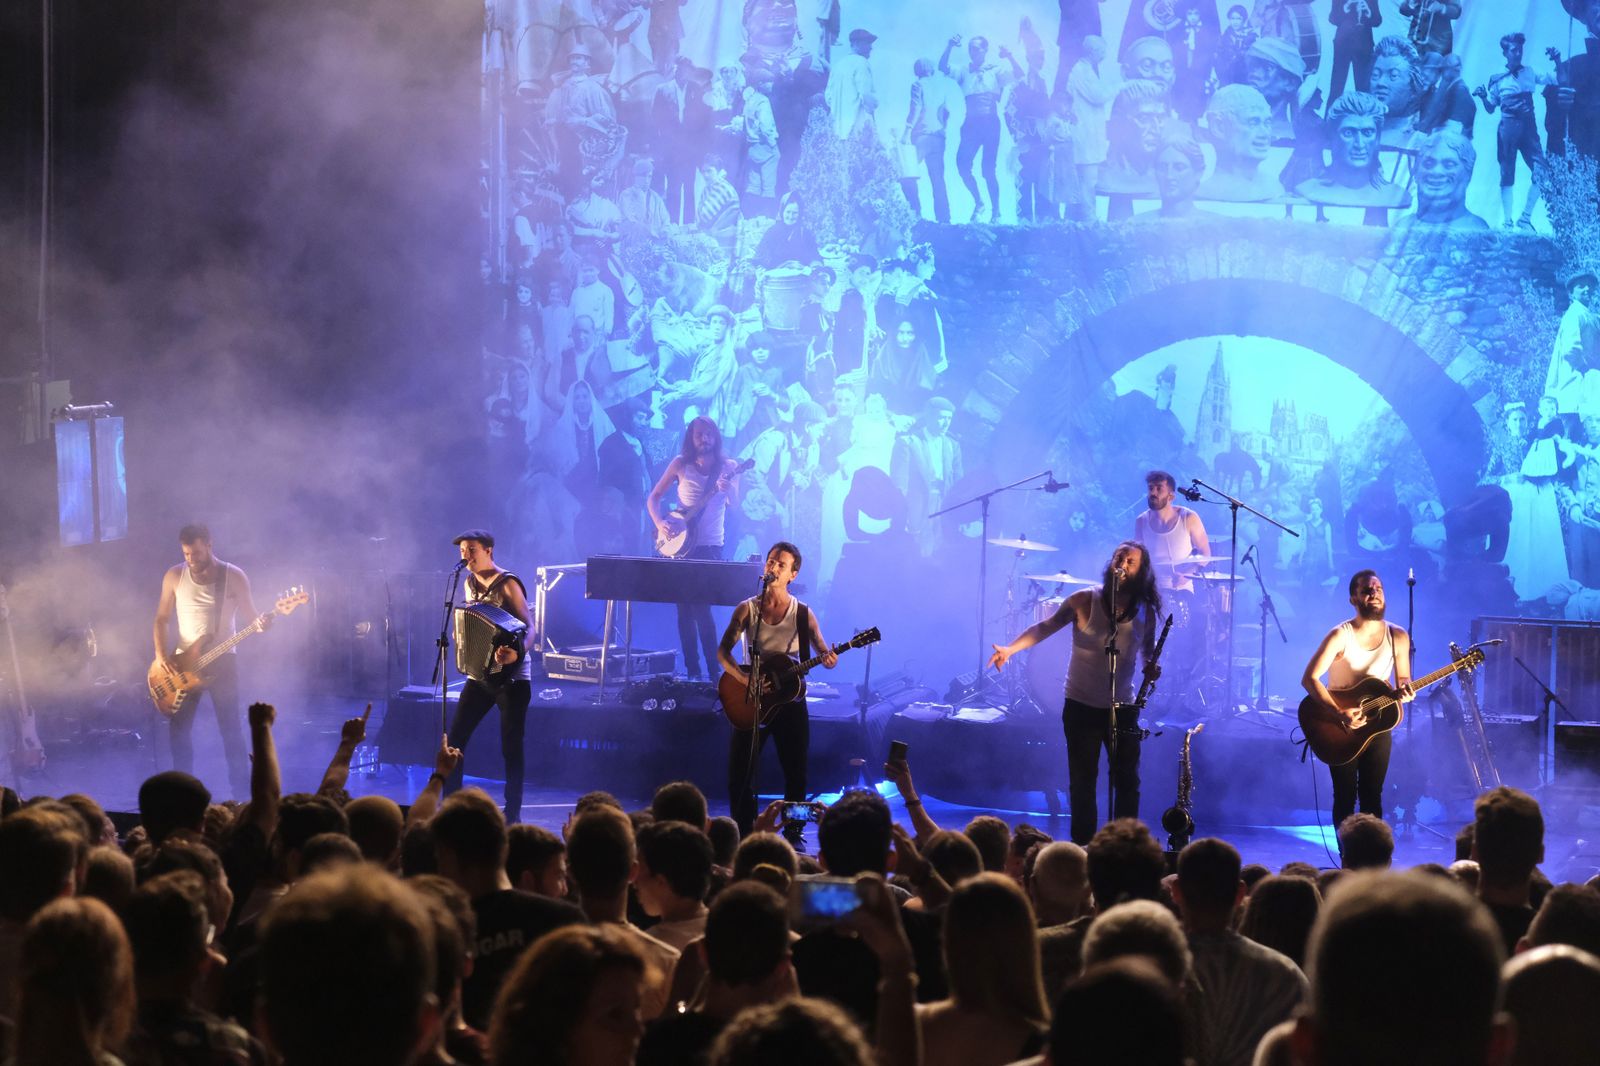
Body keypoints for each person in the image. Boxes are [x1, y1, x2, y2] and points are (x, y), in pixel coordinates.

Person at [988, 543, 1163, 845]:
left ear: (1140, 571)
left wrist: (1151, 667)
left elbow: (1147, 650)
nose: (1123, 562)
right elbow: (1046, 626)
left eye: (1131, 561)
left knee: (1127, 781)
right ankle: (1083, 846)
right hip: (1081, 704)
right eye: (1119, 556)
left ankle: (1126, 845)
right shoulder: (1084, 599)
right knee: (1082, 782)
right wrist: (1010, 649)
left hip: (1122, 706)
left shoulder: (1144, 609)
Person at [719, 541, 838, 840]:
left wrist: (830, 657)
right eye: (771, 561)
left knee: (796, 774)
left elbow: (824, 652)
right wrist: (744, 679)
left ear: (792, 575)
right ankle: (742, 833)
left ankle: (794, 832)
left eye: (781, 564)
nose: (773, 567)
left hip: (790, 702)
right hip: (753, 698)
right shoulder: (747, 609)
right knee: (740, 773)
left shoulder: (803, 615)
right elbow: (723, 653)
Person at [152, 523, 269, 800]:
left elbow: (253, 618)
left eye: (196, 553)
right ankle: (183, 792)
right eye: (186, 554)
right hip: (182, 664)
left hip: (223, 661)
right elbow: (161, 619)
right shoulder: (174, 575)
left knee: (230, 728)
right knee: (179, 730)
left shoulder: (234, 576)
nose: (191, 559)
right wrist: (160, 655)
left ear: (209, 545)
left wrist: (262, 624)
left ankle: (240, 794)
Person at [1300, 569, 1414, 830]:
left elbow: (1403, 679)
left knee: (1372, 794)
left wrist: (1406, 691)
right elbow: (1310, 679)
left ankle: (1370, 859)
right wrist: (1339, 713)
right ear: (1353, 598)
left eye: (1378, 589)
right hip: (1338, 726)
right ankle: (1346, 860)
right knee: (1345, 795)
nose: (1374, 594)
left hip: (1378, 726)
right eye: (1366, 590)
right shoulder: (1341, 635)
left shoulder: (1398, 636)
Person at [445, 529, 534, 824]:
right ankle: (451, 806)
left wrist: (516, 653)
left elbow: (531, 627)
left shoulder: (507, 583)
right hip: (480, 675)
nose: (466, 556)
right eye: (463, 551)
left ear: (488, 550)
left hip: (513, 678)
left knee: (511, 746)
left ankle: (513, 813)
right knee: (455, 739)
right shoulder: (468, 583)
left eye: (472, 550)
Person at [648, 417, 745, 681]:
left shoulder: (729, 467)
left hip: (711, 547)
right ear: (691, 438)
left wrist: (728, 490)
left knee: (702, 609)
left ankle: (713, 673)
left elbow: (735, 505)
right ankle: (693, 671)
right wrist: (660, 524)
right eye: (699, 434)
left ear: (716, 437)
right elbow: (653, 497)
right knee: (684, 611)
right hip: (681, 548)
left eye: (709, 434)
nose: (705, 438)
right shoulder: (680, 464)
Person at [1475, 33, 1558, 231]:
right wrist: (1483, 97)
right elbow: (1490, 108)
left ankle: (1525, 218)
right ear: (1505, 53)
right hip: (1508, 131)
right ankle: (1507, 221)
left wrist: (1558, 60)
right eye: (1513, 50)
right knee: (1507, 174)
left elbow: (1558, 79)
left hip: (1529, 131)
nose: (1518, 53)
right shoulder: (1496, 79)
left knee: (1543, 172)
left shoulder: (1530, 72)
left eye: (1520, 49)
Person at [942, 33, 1018, 222]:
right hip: (971, 124)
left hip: (990, 123)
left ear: (985, 50)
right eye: (969, 48)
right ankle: (979, 202)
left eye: (976, 48)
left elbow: (1018, 74)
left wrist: (1009, 55)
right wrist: (950, 46)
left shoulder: (995, 70)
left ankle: (996, 212)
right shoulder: (964, 71)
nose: (972, 52)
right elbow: (942, 67)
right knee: (962, 164)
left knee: (988, 170)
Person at [1328, 0, 1382, 103]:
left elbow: (1377, 21)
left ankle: (1366, 117)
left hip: (1364, 47)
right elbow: (1333, 19)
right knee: (1336, 88)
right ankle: (1329, 118)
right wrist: (1346, 6)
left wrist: (1368, 12)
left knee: (1364, 89)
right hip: (1343, 46)